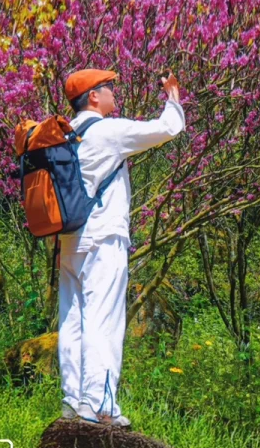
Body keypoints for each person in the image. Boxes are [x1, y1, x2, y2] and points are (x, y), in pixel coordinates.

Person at [56, 66, 185, 426]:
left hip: (70, 240)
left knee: (73, 320)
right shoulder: (106, 131)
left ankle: (73, 399)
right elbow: (167, 128)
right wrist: (173, 97)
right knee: (104, 319)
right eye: (108, 87)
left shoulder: (65, 136)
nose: (114, 91)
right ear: (93, 97)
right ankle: (99, 404)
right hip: (104, 239)